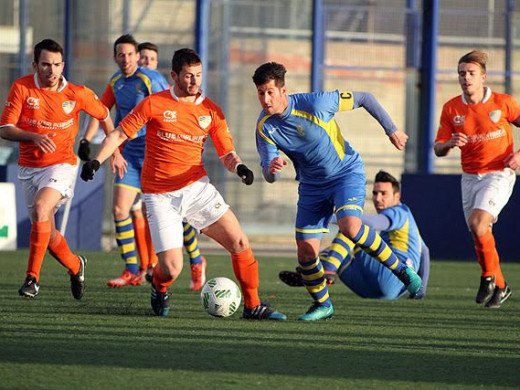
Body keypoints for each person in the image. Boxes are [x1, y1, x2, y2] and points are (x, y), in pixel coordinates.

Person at [80, 48, 286, 320]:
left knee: (239, 241)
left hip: (197, 189)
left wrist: (240, 167)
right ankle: (159, 286)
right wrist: (96, 162)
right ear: (174, 75)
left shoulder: (211, 110)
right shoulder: (154, 104)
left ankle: (253, 306)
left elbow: (226, 152)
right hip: (160, 196)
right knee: (172, 269)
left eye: (198, 76)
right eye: (188, 76)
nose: (194, 82)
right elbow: (118, 134)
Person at [252, 62, 422, 321]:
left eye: (270, 92)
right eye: (260, 93)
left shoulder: (316, 104)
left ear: (283, 90)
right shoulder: (264, 126)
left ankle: (401, 271)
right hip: (311, 185)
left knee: (350, 227)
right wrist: (272, 169)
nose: (265, 99)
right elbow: (268, 175)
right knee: (305, 252)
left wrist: (392, 131)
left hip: (346, 173)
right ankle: (323, 304)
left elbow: (366, 98)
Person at [0, 39, 114, 299]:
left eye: (57, 64)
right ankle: (76, 266)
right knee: (48, 234)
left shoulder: (77, 93)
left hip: (62, 164)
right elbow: (5, 129)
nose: (52, 71)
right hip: (30, 168)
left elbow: (104, 115)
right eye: (46, 65)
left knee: (42, 207)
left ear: (63, 65)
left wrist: (114, 150)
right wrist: (33, 136)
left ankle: (32, 279)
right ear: (35, 65)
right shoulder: (22, 88)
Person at [78, 34, 173, 288]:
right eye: (121, 54)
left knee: (153, 213)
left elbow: (169, 111)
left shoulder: (150, 79)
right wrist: (87, 141)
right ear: (115, 57)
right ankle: (132, 269)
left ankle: (160, 266)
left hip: (154, 153)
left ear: (136, 56)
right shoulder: (116, 81)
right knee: (120, 210)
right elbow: (100, 111)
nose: (126, 59)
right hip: (128, 153)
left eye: (130, 54)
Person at [434, 50, 520, 309]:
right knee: (478, 231)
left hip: (498, 172)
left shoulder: (503, 102)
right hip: (470, 177)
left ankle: (487, 277)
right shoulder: (452, 108)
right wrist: (449, 143)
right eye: (462, 73)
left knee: (478, 222)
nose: (466, 78)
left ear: (483, 77)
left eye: (471, 73)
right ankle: (501, 286)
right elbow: (437, 148)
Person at [279, 171, 430, 300]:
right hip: (387, 293)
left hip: (395, 276)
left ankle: (324, 271)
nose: (378, 198)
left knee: (352, 228)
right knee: (339, 252)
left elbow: (377, 223)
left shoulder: (400, 211)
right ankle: (315, 276)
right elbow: (425, 252)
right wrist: (420, 291)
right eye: (375, 193)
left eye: (384, 193)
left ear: (397, 197)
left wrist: (334, 217)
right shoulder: (410, 225)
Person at [137, 40, 209, 290]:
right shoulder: (121, 82)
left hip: (175, 170)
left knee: (181, 220)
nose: (144, 62)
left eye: (150, 58)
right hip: (139, 158)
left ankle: (195, 261)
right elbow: (111, 117)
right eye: (141, 58)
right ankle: (139, 266)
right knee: (123, 210)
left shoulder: (157, 86)